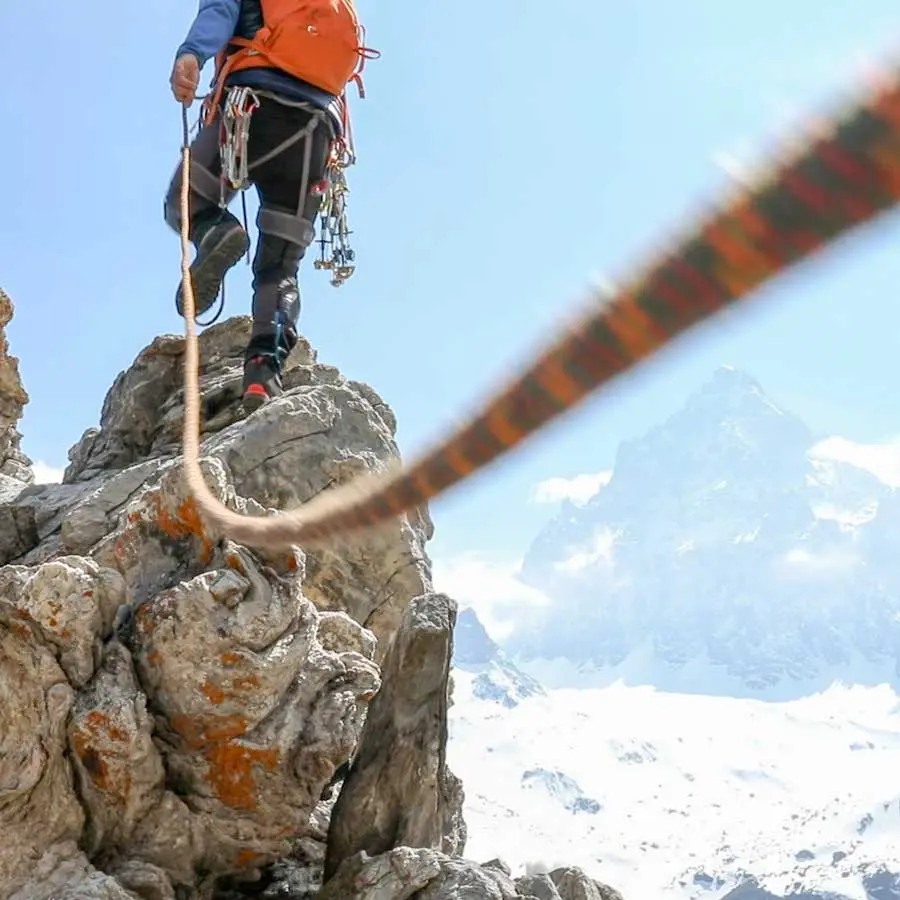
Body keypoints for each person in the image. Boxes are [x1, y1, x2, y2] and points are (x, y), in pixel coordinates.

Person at [163, 0, 371, 410]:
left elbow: (219, 12)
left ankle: (219, 231)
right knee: (279, 268)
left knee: (185, 202)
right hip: (316, 131)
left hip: (251, 105)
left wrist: (191, 53)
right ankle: (262, 378)